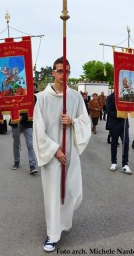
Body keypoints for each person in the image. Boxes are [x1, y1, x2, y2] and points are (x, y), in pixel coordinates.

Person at [33, 57, 91, 252]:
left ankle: (62, 223)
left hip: (71, 153)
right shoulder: (42, 98)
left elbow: (86, 122)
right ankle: (52, 234)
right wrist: (55, 150)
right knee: (53, 195)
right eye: (59, 71)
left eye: (66, 71)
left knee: (73, 193)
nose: (62, 75)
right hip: (51, 155)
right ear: (53, 73)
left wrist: (72, 121)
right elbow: (38, 131)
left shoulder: (74, 97)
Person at [106, 91, 132, 174]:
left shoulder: (125, 96)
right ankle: (113, 162)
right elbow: (109, 112)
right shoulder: (110, 97)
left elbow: (130, 107)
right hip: (114, 124)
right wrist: (120, 114)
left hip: (124, 124)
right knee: (114, 143)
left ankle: (125, 164)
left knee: (126, 143)